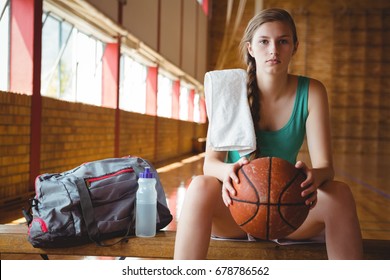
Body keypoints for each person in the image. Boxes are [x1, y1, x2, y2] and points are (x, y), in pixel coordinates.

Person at [174, 8, 363, 260]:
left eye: (282, 41)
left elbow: (326, 168)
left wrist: (311, 177)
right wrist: (226, 171)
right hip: (235, 211)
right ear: (251, 48)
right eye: (264, 41)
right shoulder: (230, 89)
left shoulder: (312, 92)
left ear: (294, 46)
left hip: (288, 212)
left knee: (340, 193)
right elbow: (211, 163)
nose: (273, 50)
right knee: (199, 186)